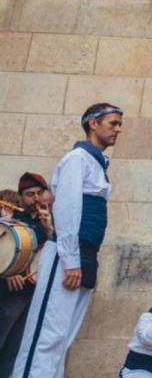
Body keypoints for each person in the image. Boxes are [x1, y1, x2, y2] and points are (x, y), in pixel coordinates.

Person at [13, 102, 123, 378]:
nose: (118, 130)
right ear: (93, 123)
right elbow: (68, 210)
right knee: (46, 336)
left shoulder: (96, 163)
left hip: (85, 255)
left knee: (62, 338)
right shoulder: (77, 159)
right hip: (67, 257)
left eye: (119, 124)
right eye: (113, 123)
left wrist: (85, 262)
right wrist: (72, 260)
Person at [0, 173, 51, 377]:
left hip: (31, 292)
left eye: (39, 193)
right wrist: (7, 271)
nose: (36, 198)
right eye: (30, 194)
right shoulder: (13, 219)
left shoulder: (44, 221)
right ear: (21, 198)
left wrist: (49, 229)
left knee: (15, 348)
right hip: (8, 293)